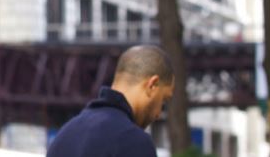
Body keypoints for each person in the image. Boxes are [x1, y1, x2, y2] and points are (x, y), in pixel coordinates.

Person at [47, 45, 176, 157]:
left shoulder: (65, 135)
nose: (158, 113)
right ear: (152, 85)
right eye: (163, 100)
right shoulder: (133, 141)